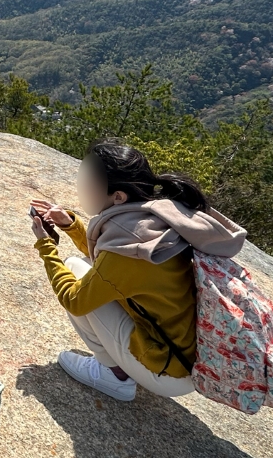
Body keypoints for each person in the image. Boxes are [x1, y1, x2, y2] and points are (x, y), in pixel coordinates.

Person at [30, 140, 246, 402]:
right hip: (185, 353)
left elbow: (75, 300)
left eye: (91, 183)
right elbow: (110, 264)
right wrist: (71, 226)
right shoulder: (153, 217)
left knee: (75, 272)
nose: (84, 188)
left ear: (118, 196)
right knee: (83, 268)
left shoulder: (131, 247)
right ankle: (128, 364)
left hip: (168, 370)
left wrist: (46, 246)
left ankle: (116, 376)